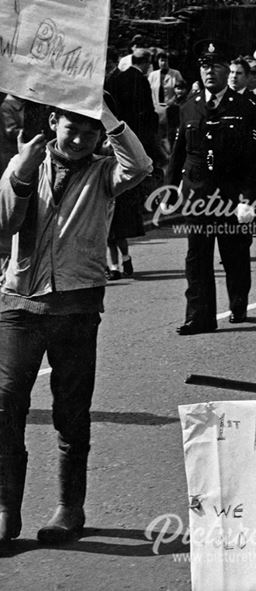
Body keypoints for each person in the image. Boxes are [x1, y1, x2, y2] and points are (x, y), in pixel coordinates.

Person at [0, 102, 152, 545]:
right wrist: (21, 174)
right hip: (19, 303)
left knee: (71, 412)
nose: (81, 140)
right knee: (6, 407)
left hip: (77, 307)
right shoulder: (24, 160)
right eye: (72, 129)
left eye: (91, 132)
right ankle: (7, 509)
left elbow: (139, 166)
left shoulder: (106, 172)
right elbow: (4, 221)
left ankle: (70, 507)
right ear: (53, 124)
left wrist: (106, 115)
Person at [165, 42, 256, 334]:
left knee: (234, 255)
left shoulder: (248, 107)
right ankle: (199, 316)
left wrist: (249, 199)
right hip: (197, 194)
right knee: (196, 257)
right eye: (204, 66)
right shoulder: (188, 106)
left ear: (227, 71)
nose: (210, 71)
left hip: (232, 198)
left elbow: (255, 161)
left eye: (216, 66)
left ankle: (238, 303)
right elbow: (178, 152)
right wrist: (169, 189)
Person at [104, 48, 157, 279]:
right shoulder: (134, 79)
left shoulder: (113, 82)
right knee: (116, 222)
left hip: (114, 149)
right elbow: (147, 115)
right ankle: (120, 263)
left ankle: (119, 263)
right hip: (126, 147)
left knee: (113, 221)